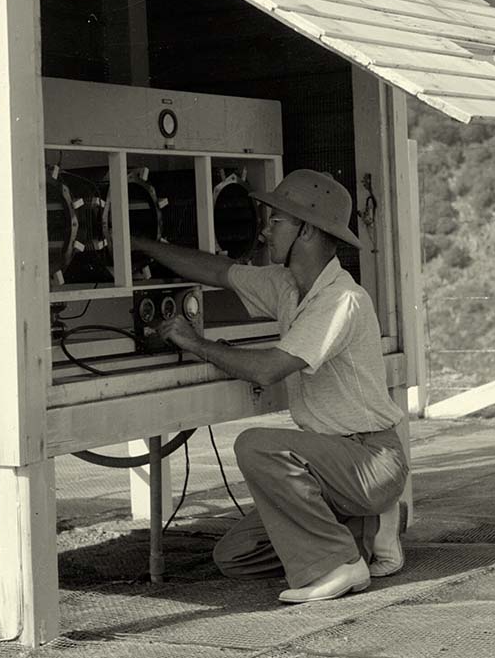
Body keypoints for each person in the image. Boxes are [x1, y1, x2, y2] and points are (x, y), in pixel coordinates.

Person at [134, 169, 407, 604]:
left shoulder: (343, 300)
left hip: (369, 459)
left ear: (308, 230)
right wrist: (142, 245)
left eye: (276, 220)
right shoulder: (287, 286)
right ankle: (365, 529)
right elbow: (220, 272)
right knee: (236, 556)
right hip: (333, 467)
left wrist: (194, 343)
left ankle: (339, 562)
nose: (265, 229)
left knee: (256, 446)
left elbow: (267, 370)